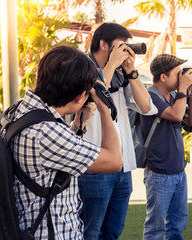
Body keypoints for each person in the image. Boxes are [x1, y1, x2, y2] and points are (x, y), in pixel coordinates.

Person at [10, 45, 122, 239]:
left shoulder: (19, 110)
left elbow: (54, 156)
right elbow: (114, 161)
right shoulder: (47, 132)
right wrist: (105, 109)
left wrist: (78, 124)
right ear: (80, 96)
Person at [78, 22, 157, 240]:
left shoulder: (121, 74)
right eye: (121, 46)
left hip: (122, 166)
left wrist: (132, 71)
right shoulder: (80, 66)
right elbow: (91, 93)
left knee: (112, 231)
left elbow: (146, 107)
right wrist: (111, 65)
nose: (126, 51)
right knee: (89, 232)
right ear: (104, 44)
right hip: (95, 165)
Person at [141, 54, 192, 240]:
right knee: (156, 228)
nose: (181, 77)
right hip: (159, 174)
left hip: (178, 171)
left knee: (177, 226)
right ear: (163, 77)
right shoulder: (150, 96)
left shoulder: (175, 96)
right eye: (178, 73)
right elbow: (175, 115)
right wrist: (183, 90)